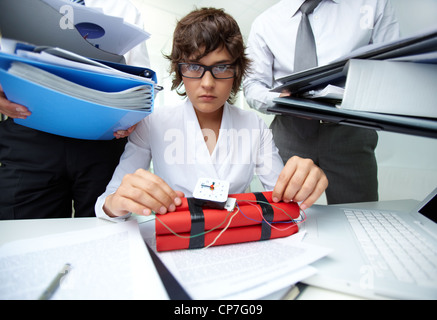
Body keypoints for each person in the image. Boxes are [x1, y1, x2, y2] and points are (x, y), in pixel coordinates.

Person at [95, 7, 328, 220]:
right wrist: (117, 202)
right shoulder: (152, 123)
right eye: (195, 67)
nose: (207, 83)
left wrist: (301, 184)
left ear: (237, 72)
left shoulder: (253, 125)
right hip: (177, 238)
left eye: (221, 67)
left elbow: (285, 205)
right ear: (180, 70)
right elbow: (106, 204)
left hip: (238, 236)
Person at [0, 0, 150, 219]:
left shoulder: (123, 10)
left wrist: (134, 115)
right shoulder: (15, 5)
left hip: (102, 140)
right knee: (25, 235)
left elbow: (141, 81)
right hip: (30, 131)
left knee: (103, 232)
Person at [243, 0, 400, 204]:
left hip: (350, 129)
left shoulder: (373, 5)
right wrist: (281, 101)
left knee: (360, 214)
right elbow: (252, 85)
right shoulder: (265, 22)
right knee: (282, 213)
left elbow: (394, 66)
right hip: (289, 131)